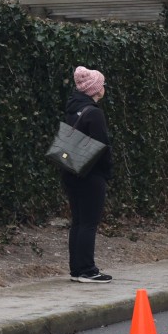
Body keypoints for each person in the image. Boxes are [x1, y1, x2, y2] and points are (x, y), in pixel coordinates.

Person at [62, 66, 113, 283]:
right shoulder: (94, 113)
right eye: (102, 84)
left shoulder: (72, 109)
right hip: (91, 174)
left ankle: (76, 269)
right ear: (95, 89)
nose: (104, 88)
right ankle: (87, 270)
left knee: (78, 221)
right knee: (89, 222)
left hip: (70, 170)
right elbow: (102, 147)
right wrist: (107, 172)